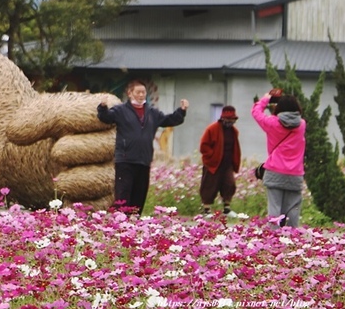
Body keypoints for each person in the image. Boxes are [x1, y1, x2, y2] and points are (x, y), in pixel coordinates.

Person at [97, 80, 189, 215]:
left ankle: (135, 223)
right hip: (125, 159)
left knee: (139, 194)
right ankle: (120, 222)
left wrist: (182, 111)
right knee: (123, 194)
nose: (141, 95)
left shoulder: (152, 112)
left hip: (144, 160)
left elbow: (169, 120)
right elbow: (105, 117)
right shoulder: (121, 110)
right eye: (138, 92)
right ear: (130, 93)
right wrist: (103, 106)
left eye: (143, 92)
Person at [251, 88, 306, 227]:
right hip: (295, 173)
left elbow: (256, 113)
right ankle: (292, 238)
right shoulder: (302, 125)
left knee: (274, 208)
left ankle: (274, 238)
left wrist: (266, 99)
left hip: (274, 171)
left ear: (279, 108)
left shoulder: (271, 123)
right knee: (293, 209)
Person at [199, 106, 241, 216]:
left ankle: (227, 209)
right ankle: (206, 210)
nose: (230, 122)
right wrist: (211, 157)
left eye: (232, 120)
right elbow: (204, 146)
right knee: (209, 185)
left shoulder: (234, 131)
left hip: (227, 164)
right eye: (228, 119)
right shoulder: (212, 129)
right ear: (222, 118)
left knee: (229, 184)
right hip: (213, 163)